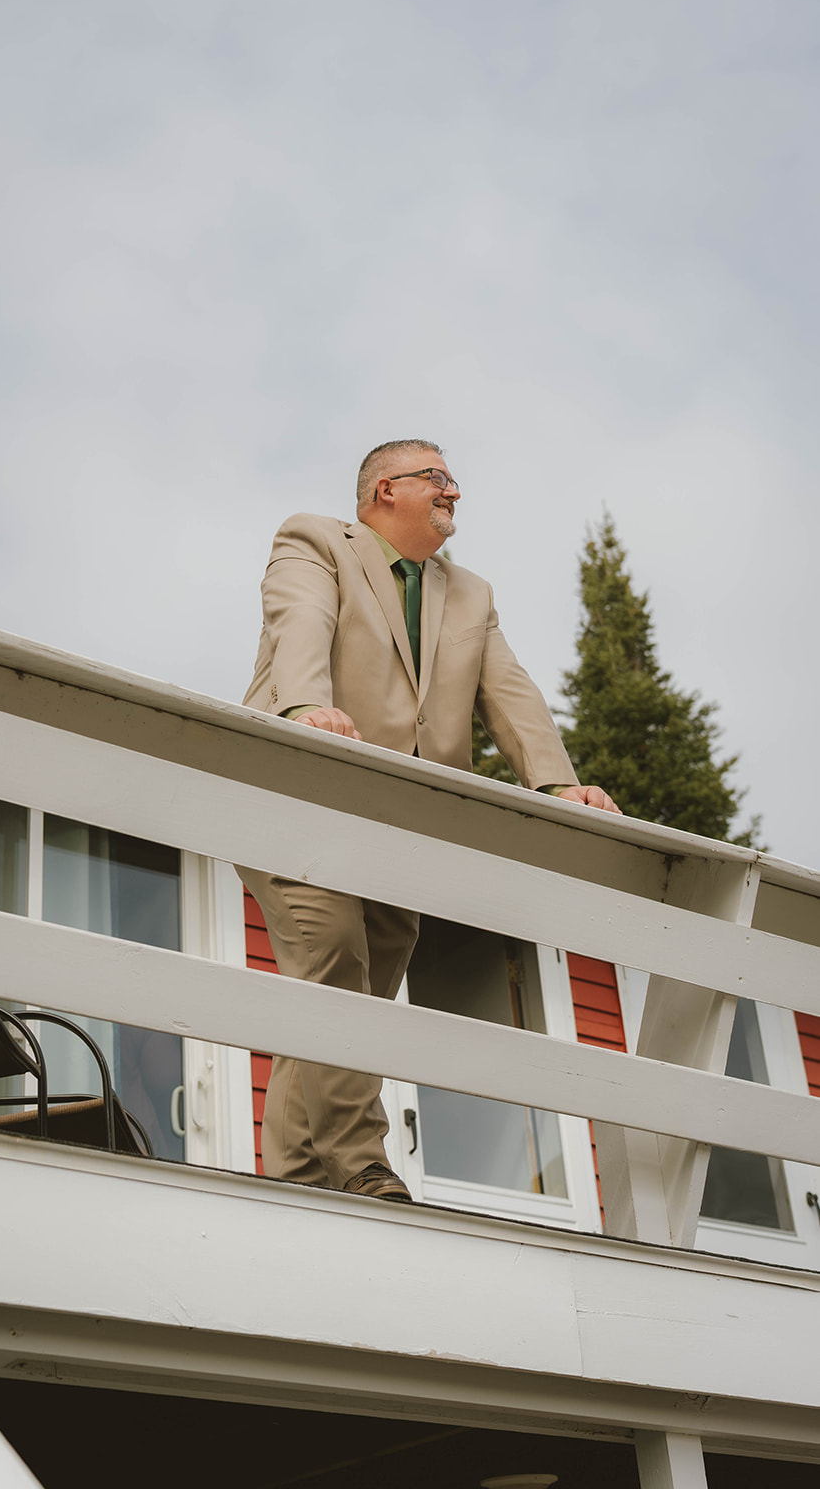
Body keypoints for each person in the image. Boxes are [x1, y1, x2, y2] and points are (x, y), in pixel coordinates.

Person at [238, 439, 619, 1203]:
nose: (454, 493)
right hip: (296, 802)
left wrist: (556, 784)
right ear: (385, 489)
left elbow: (510, 692)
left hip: (400, 833)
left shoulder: (470, 594)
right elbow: (298, 621)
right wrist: (302, 704)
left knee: (350, 998)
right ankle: (362, 1168)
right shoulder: (315, 542)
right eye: (437, 479)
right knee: (333, 959)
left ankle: (293, 1181)